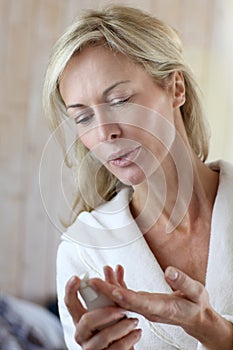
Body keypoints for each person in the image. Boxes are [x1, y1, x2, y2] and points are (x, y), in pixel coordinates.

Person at [43, 5, 233, 350]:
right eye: (83, 118)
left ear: (176, 88)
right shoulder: (83, 253)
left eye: (120, 100)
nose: (104, 133)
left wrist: (217, 333)